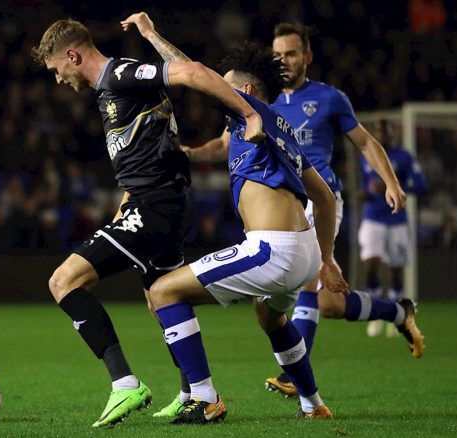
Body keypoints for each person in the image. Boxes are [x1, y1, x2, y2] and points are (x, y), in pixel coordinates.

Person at [32, 18, 265, 427]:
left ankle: (124, 383)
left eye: (56, 69)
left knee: (63, 281)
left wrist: (248, 112)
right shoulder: (111, 90)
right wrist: (125, 201)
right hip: (154, 200)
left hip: (157, 204)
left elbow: (191, 71)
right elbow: (143, 150)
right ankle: (198, 392)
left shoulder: (120, 74)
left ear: (72, 55)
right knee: (162, 296)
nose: (57, 78)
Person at [179, 22, 424, 397]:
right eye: (278, 54)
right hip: (282, 198)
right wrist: (191, 155)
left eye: (292, 53)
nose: (285, 60)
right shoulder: (258, 101)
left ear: (307, 57)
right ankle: (398, 313)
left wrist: (390, 181)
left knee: (308, 278)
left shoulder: (329, 99)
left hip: (321, 196)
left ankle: (298, 380)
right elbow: (223, 144)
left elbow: (365, 142)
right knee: (328, 304)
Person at [133, 31, 343, 422]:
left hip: (273, 249)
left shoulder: (249, 110)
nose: (217, 90)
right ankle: (313, 405)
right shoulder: (282, 130)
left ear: (244, 90)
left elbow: (192, 72)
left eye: (224, 85)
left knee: (162, 292)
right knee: (270, 316)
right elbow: (326, 199)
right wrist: (326, 260)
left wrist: (150, 34)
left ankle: (204, 397)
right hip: (304, 250)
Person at [360, 120, 428, 338]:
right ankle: (378, 314)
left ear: (393, 134)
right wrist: (368, 192)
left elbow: (421, 184)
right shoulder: (367, 155)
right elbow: (366, 184)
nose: (383, 136)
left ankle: (396, 315)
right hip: (372, 217)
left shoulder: (404, 156)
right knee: (370, 265)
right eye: (379, 133)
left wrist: (394, 186)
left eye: (387, 132)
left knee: (396, 271)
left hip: (396, 219)